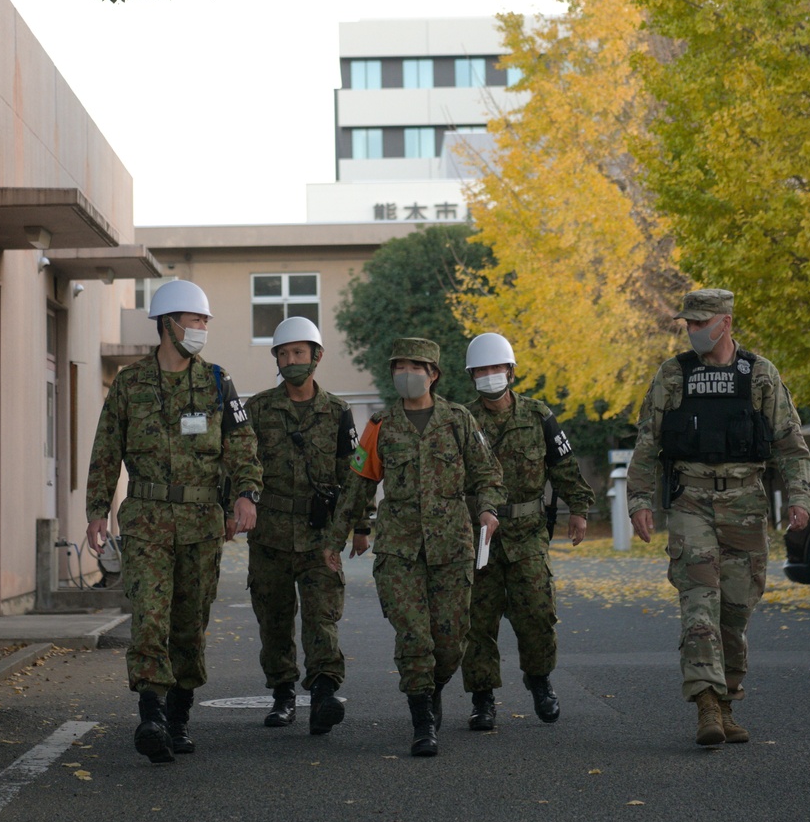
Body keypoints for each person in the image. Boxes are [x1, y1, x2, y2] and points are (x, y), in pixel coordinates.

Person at [627, 288, 810, 747]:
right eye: (688, 323)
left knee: (735, 610)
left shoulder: (760, 376)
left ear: (725, 323)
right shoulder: (672, 376)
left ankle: (727, 700)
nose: (692, 330)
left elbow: (791, 446)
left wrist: (801, 497)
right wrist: (639, 500)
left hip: (746, 505)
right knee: (699, 605)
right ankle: (706, 704)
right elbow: (648, 442)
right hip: (691, 501)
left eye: (700, 323)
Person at [86, 279, 261, 763]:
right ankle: (151, 715)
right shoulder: (129, 383)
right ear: (168, 324)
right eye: (195, 320)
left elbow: (244, 448)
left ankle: (179, 716)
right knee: (149, 620)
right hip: (145, 523)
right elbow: (106, 450)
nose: (202, 328)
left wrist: (246, 496)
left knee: (188, 625)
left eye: (205, 321)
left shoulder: (217, 382)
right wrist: (96, 510)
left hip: (202, 524)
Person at [324, 337, 506, 757]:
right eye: (398, 367)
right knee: (413, 637)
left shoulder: (459, 420)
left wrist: (488, 510)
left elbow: (488, 475)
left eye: (415, 367)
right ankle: (422, 719)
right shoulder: (380, 426)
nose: (406, 375)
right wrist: (335, 539)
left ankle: (434, 686)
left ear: (434, 374)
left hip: (451, 548)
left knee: (449, 640)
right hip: (399, 550)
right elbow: (357, 486)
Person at [461, 333, 595, 731]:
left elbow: (564, 466)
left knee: (537, 612)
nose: (490, 376)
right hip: (479, 536)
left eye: (496, 368)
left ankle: (540, 681)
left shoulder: (538, 416)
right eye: (481, 370)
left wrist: (579, 509)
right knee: (478, 620)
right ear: (472, 376)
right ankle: (482, 698)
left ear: (511, 371)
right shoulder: (462, 420)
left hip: (528, 533)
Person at [245, 316, 366, 735]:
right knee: (274, 618)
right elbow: (239, 466)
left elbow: (354, 475)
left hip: (320, 537)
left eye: (299, 352)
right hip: (270, 536)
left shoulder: (338, 412)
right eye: (283, 353)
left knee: (321, 618)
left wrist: (361, 526)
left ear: (316, 356)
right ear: (276, 359)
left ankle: (323, 694)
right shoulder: (257, 409)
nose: (291, 359)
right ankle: (282, 695)